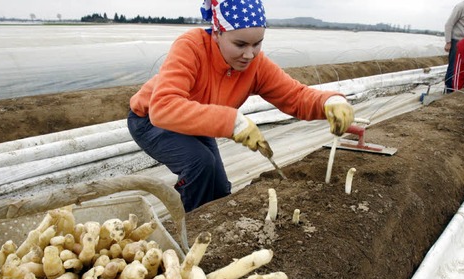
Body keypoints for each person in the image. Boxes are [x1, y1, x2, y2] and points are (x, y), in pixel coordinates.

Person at [126, 0, 354, 212]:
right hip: (149, 120)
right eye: (240, 44)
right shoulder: (191, 47)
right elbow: (163, 107)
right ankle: (189, 228)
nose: (249, 54)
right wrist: (232, 122)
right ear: (217, 33)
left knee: (219, 187)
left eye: (257, 43)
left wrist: (330, 102)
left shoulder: (256, 65)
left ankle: (218, 227)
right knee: (200, 165)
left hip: (197, 123)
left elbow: (294, 96)